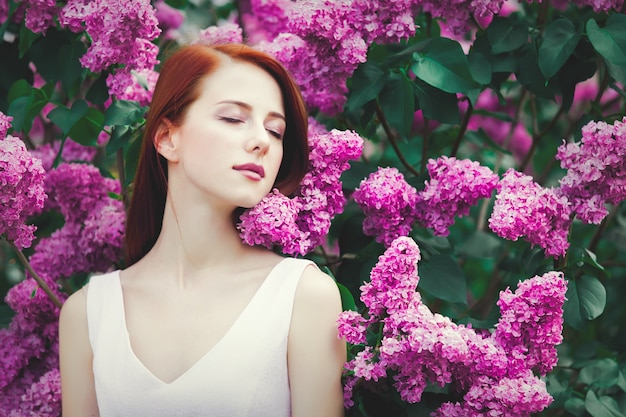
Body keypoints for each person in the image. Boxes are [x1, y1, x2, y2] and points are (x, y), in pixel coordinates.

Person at [59, 43, 346, 417]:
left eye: (275, 131)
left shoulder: (302, 298)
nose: (262, 141)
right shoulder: (88, 315)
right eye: (232, 118)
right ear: (166, 138)